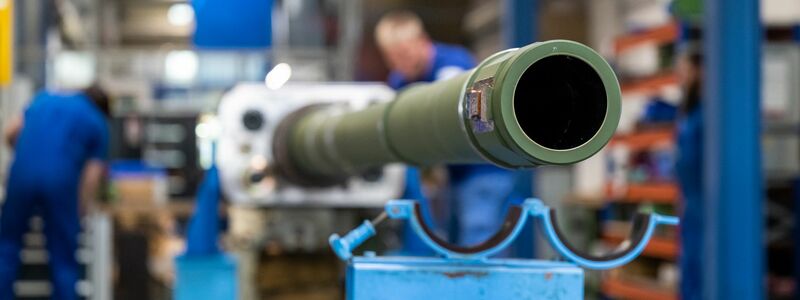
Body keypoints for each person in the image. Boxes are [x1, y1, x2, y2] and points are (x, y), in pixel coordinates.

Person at [375, 10, 526, 250]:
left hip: (484, 168)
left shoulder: (455, 65)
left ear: (421, 41)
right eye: (391, 58)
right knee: (455, 241)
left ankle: (481, 285)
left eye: (404, 54)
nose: (399, 64)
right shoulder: (401, 81)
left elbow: (466, 116)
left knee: (479, 238)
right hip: (455, 173)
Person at [0, 85, 111, 300]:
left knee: (7, 246)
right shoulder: (97, 121)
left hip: (21, 175)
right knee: (63, 255)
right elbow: (91, 176)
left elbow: (10, 132)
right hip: (61, 180)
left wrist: (28, 153)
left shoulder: (42, 100)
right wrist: (80, 210)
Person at [674, 46, 703, 300]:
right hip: (691, 203)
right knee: (691, 269)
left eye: (686, 70)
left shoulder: (712, 115)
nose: (681, 77)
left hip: (708, 205)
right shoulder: (690, 113)